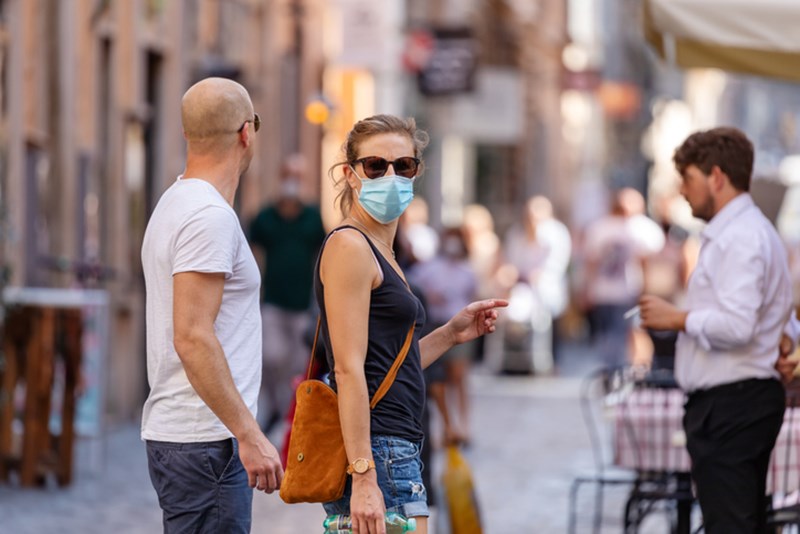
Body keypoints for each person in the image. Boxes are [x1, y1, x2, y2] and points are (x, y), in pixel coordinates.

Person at [313, 114, 507, 534]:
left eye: (403, 165)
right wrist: (363, 475)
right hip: (376, 450)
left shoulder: (382, 250)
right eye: (375, 166)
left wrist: (450, 334)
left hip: (398, 445)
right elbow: (347, 369)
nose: (390, 176)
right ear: (349, 174)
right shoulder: (350, 246)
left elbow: (388, 364)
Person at [140, 77, 283, 533]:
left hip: (194, 437)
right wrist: (249, 433)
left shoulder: (176, 201)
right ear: (246, 132)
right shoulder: (208, 216)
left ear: (187, 134)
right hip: (208, 440)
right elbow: (192, 336)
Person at [639, 127, 794, 533]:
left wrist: (677, 318)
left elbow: (738, 325)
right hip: (734, 403)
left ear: (717, 177)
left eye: (688, 178)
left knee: (731, 525)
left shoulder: (741, 236)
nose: (683, 191)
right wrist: (786, 339)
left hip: (733, 405)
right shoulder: (745, 232)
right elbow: (778, 316)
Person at [248, 154, 326, 431]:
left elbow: (323, 252)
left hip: (303, 304)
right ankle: (275, 404)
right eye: (288, 177)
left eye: (297, 178)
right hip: (273, 300)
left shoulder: (312, 217)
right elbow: (249, 245)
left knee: (299, 363)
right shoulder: (266, 217)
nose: (292, 183)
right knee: (270, 357)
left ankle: (290, 413)